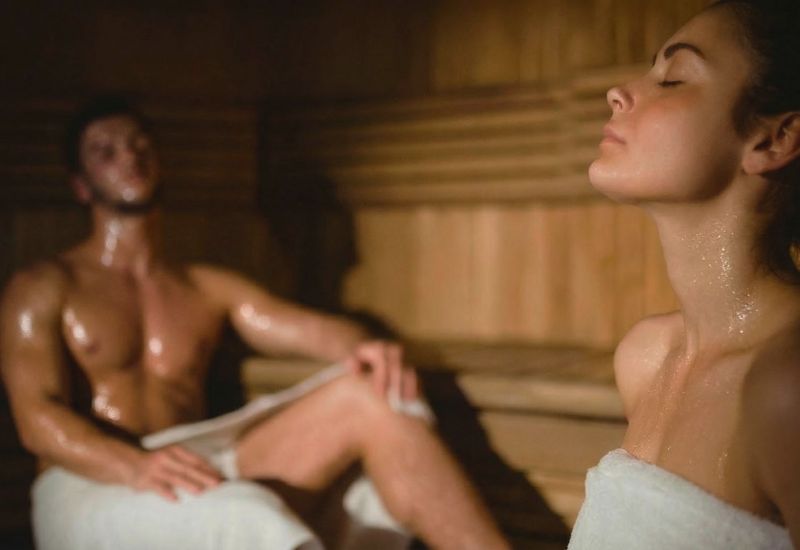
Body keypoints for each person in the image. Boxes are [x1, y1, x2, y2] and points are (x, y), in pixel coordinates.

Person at [0, 96, 509, 550]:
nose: (130, 157)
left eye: (140, 144)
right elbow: (35, 419)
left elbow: (314, 331)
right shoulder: (44, 287)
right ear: (80, 185)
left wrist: (369, 346)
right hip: (89, 480)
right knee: (247, 518)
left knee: (374, 398)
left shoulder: (204, 288)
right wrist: (133, 466)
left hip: (191, 464)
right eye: (106, 152)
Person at [567, 1, 800, 548]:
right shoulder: (646, 359)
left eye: (673, 78)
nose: (618, 92)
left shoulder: (788, 386)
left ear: (774, 140)